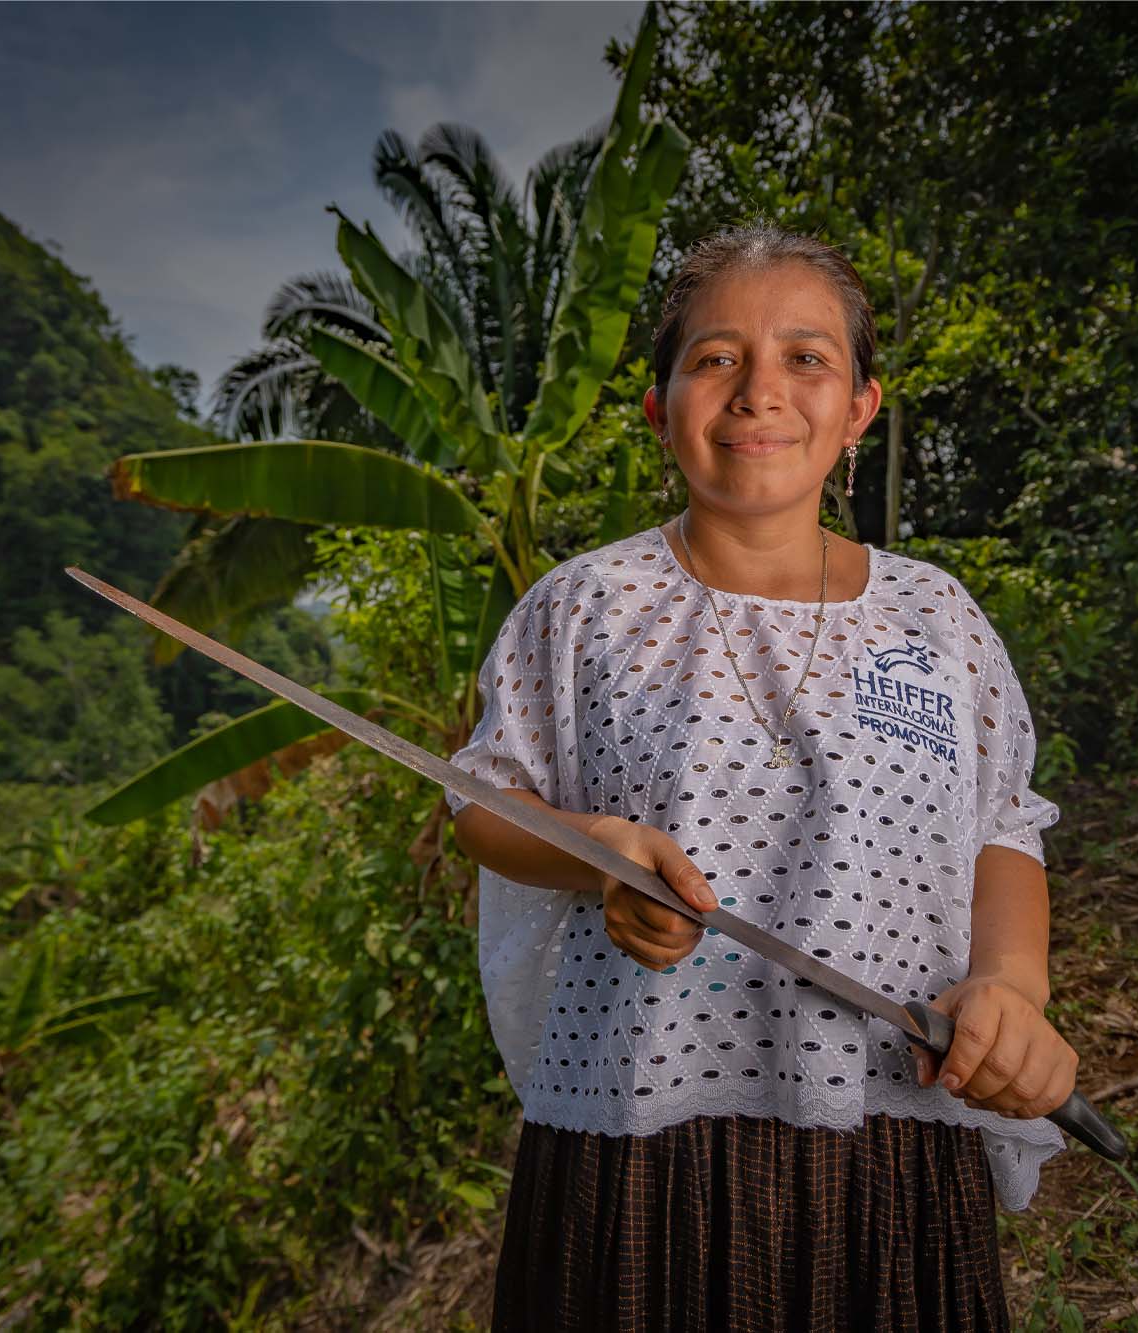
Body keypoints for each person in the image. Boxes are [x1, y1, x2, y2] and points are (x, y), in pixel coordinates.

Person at [445, 222, 1078, 1331]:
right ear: (658, 409)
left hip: (890, 1120)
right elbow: (486, 806)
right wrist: (598, 851)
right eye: (713, 357)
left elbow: (1001, 828)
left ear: (857, 412)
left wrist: (1012, 990)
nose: (756, 392)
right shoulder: (584, 605)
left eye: (804, 358)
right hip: (642, 1127)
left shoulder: (935, 617)